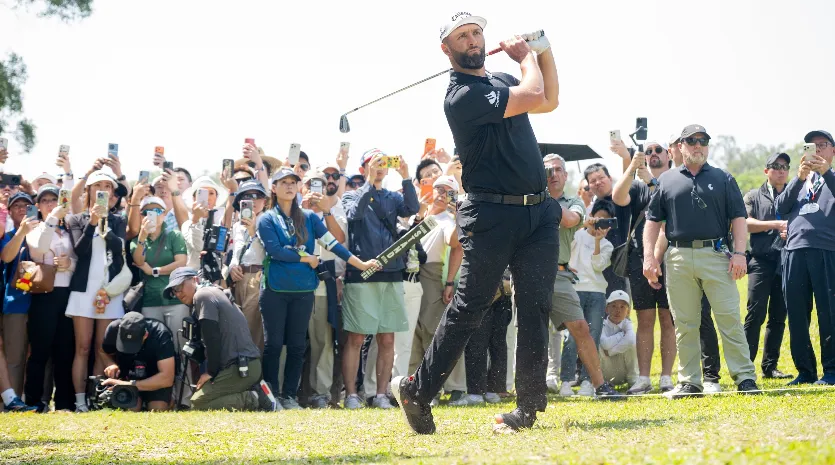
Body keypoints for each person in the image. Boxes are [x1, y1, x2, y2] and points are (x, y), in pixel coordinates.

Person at [392, 14, 562, 434]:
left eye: (476, 33)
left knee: (535, 306)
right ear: (446, 50)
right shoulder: (461, 95)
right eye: (462, 37)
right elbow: (534, 90)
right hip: (491, 214)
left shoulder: (503, 78)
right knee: (469, 307)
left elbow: (550, 99)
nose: (472, 40)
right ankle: (417, 389)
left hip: (537, 212)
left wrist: (544, 51)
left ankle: (528, 407)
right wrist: (527, 58)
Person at [643, 124, 760, 398]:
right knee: (685, 322)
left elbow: (739, 220)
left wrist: (741, 254)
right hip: (678, 256)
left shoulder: (723, 178)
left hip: (716, 254)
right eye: (692, 141)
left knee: (729, 318)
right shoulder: (668, 181)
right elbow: (652, 221)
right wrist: (650, 257)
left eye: (703, 141)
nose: (698, 145)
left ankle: (744, 377)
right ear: (680, 147)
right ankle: (690, 381)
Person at [259, 168, 379, 410]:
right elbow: (276, 251)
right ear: (273, 188)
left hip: (304, 290)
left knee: (296, 345)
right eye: (283, 183)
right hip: (275, 289)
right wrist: (307, 258)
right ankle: (271, 397)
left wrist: (361, 263)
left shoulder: (310, 218)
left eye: (293, 182)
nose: (289, 186)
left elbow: (335, 245)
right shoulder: (266, 219)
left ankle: (289, 397)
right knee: (273, 345)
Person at [342, 150, 418, 410]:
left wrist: (406, 177)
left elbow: (412, 208)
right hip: (362, 274)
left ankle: (382, 394)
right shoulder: (352, 193)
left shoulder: (393, 196)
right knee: (356, 337)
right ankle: (351, 394)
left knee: (387, 339)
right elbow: (355, 214)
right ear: (364, 167)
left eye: (384, 163)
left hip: (392, 272)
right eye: (376, 163)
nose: (381, 167)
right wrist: (368, 182)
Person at [609, 141, 676, 394]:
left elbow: (669, 202)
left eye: (658, 150)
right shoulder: (637, 186)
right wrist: (631, 166)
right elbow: (618, 196)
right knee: (645, 319)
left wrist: (650, 179)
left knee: (668, 320)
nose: (653, 155)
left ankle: (667, 377)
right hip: (641, 259)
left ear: (669, 155)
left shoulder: (674, 180)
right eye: (648, 152)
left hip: (671, 258)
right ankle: (644, 378)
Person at [164, 268, 273, 411]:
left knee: (198, 403)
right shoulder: (213, 291)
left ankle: (254, 398)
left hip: (241, 367)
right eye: (174, 291)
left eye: (179, 287)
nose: (178, 294)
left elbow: (212, 339)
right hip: (244, 366)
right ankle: (251, 389)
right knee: (203, 398)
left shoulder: (202, 295)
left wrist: (210, 372)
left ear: (194, 280)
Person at [775, 130, 835, 386]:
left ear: (833, 151)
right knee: (797, 314)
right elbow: (780, 207)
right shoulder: (801, 181)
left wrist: (827, 174)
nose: (817, 150)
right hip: (794, 251)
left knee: (829, 313)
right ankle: (805, 371)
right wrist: (798, 179)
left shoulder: (830, 178)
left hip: (826, 250)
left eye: (823, 145)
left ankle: (831, 371)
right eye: (812, 146)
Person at [65, 170, 128, 412]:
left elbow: (119, 247)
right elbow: (80, 252)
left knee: (103, 348)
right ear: (89, 190)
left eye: (107, 186)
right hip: (83, 290)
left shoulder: (118, 220)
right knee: (82, 346)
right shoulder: (76, 219)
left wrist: (105, 223)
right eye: (98, 185)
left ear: (112, 192)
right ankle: (80, 401)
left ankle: (97, 398)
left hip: (109, 290)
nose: (103, 189)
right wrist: (92, 222)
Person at [408, 176, 466, 406]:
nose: (442, 194)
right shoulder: (420, 216)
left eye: (449, 191)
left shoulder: (448, 220)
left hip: (434, 276)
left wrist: (450, 281)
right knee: (414, 332)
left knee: (435, 332)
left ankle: (445, 386)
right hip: (411, 273)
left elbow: (456, 244)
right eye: (439, 189)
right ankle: (416, 384)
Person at [298, 167, 348, 408]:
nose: (314, 190)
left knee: (323, 341)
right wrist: (305, 210)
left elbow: (339, 239)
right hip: (293, 280)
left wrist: (324, 211)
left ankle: (321, 393)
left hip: (323, 280)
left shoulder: (334, 210)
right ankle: (283, 391)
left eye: (319, 185)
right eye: (310, 184)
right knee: (290, 341)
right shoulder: (291, 210)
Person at [23, 184, 76, 412]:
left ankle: (64, 402)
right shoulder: (35, 229)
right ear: (38, 206)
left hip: (67, 294)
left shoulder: (70, 230)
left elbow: (78, 259)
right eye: (45, 201)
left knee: (65, 351)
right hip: (44, 294)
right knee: (40, 351)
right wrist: (53, 218)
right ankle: (34, 401)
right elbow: (38, 249)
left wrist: (69, 264)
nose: (50, 204)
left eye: (54, 200)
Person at [743, 153, 792, 380]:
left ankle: (770, 367)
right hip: (760, 262)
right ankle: (745, 368)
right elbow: (745, 224)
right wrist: (776, 224)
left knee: (778, 317)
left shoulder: (795, 195)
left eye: (785, 167)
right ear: (766, 171)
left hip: (786, 262)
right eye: (775, 166)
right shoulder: (754, 195)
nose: (781, 171)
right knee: (755, 314)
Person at [559, 199, 615, 397]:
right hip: (574, 288)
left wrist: (598, 241)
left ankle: (587, 381)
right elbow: (566, 249)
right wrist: (585, 224)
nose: (600, 223)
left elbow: (598, 265)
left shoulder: (607, 245)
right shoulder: (578, 234)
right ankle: (566, 380)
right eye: (598, 218)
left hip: (597, 292)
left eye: (605, 220)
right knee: (571, 337)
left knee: (594, 336)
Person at [130, 196, 189, 349]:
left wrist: (154, 271)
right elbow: (139, 260)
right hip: (151, 301)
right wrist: (142, 237)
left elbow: (181, 262)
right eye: (147, 211)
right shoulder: (136, 240)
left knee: (180, 346)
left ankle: (183, 374)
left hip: (175, 300)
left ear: (164, 214)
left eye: (157, 210)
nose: (152, 214)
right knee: (155, 347)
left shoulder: (174, 235)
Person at [0, 192, 39, 397]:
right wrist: (22, 232)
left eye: (27, 205)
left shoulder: (44, 233)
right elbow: (6, 257)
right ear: (9, 211)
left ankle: (39, 399)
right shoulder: (7, 235)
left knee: (39, 356)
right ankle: (11, 403)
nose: (22, 209)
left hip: (43, 302)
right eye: (17, 206)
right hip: (15, 303)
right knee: (14, 357)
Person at [100, 312, 176, 411]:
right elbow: (102, 352)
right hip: (127, 375)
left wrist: (127, 385)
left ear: (145, 335)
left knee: (158, 410)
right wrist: (111, 364)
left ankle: (170, 400)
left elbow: (167, 378)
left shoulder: (160, 334)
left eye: (133, 345)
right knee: (131, 408)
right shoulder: (113, 329)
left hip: (155, 378)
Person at [226, 181, 269, 353]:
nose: (253, 200)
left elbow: (270, 253)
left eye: (257, 196)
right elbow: (235, 252)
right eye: (246, 196)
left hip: (258, 277)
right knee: (237, 331)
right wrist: (232, 266)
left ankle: (255, 376)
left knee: (253, 334)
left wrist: (253, 230)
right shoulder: (236, 226)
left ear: (264, 201)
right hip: (239, 279)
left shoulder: (269, 221)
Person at [181, 176, 229, 270]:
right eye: (202, 193)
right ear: (194, 198)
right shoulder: (187, 225)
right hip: (195, 277)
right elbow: (199, 247)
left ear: (216, 198)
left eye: (211, 193)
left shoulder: (221, 221)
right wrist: (195, 220)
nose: (207, 197)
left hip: (217, 276)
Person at [598, 291, 639, 387]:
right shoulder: (601, 324)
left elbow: (630, 340)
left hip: (624, 373)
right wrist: (621, 335)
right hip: (605, 374)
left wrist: (611, 352)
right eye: (614, 306)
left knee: (634, 343)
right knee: (597, 345)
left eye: (622, 307)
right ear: (607, 309)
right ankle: (600, 382)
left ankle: (633, 380)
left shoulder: (627, 324)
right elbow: (605, 344)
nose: (618, 310)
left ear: (628, 311)